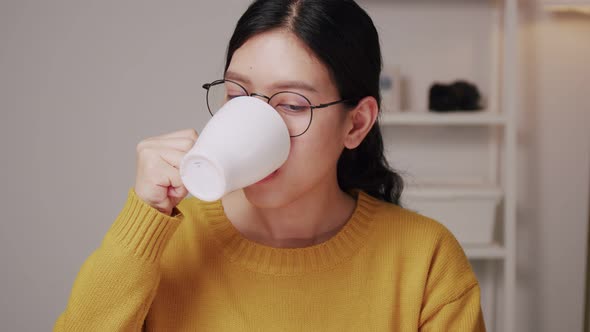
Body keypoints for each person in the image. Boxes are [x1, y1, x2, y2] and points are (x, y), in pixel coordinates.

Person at [54, 0, 486, 331]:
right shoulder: (165, 239)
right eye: (238, 95)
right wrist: (142, 222)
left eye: (293, 104)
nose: (256, 124)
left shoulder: (425, 259)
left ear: (356, 124)